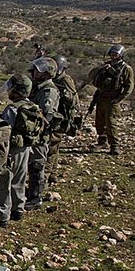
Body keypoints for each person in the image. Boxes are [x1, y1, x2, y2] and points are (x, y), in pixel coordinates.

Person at [0, 74, 40, 225]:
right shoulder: (32, 106)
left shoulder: (12, 109)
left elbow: (5, 132)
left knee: (2, 183)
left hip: (10, 150)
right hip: (25, 149)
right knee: (19, 180)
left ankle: (1, 216)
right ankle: (18, 209)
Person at [25, 57, 60, 211]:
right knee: (31, 165)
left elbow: (46, 116)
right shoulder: (38, 88)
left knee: (37, 166)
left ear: (46, 73)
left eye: (37, 71)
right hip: (32, 133)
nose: (33, 73)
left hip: (40, 135)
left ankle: (35, 198)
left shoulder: (49, 91)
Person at [90, 44, 135, 156]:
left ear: (121, 55)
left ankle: (114, 145)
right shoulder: (106, 65)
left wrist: (119, 99)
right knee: (100, 121)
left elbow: (129, 86)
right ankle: (101, 140)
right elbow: (92, 76)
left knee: (111, 123)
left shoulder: (126, 68)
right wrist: (100, 69)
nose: (113, 56)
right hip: (101, 97)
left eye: (116, 54)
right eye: (112, 53)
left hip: (112, 99)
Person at [46, 55, 77, 184]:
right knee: (55, 146)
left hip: (60, 117)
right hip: (58, 116)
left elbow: (72, 100)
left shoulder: (65, 80)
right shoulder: (56, 79)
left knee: (51, 147)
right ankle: (53, 174)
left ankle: (45, 178)